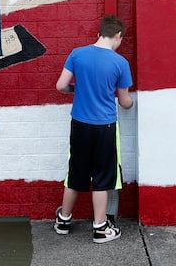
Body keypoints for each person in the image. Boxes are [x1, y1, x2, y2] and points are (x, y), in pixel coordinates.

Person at [54, 15, 134, 244]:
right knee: (102, 176)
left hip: (79, 124)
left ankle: (63, 220)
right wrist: (132, 104)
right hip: (104, 126)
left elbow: (60, 86)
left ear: (99, 32)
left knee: (75, 173)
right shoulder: (120, 63)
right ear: (118, 35)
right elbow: (124, 100)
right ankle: (100, 228)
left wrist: (76, 90)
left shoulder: (77, 54)